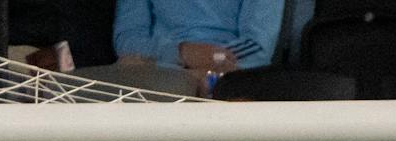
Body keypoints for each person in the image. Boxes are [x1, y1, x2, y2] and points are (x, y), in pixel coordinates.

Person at [115, 0, 285, 93]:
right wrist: (181, 53)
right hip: (161, 69)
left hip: (232, 74)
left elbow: (258, 45)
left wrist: (214, 59)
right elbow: (127, 39)